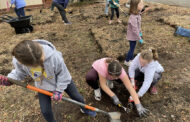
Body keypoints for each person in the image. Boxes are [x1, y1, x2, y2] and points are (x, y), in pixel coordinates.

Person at [0, 40, 96, 122]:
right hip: (43, 87)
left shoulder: (54, 57)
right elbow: (19, 73)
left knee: (77, 97)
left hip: (63, 81)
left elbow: (64, 75)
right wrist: (10, 79)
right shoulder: (19, 59)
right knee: (45, 111)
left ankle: (85, 109)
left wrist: (59, 90)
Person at [124, 0, 144, 66]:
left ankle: (131, 59)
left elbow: (139, 25)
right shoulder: (133, 17)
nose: (142, 6)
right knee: (131, 49)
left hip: (135, 35)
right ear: (135, 6)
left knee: (133, 47)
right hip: (132, 36)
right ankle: (127, 61)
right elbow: (135, 29)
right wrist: (139, 38)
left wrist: (140, 32)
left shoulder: (138, 14)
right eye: (141, 5)